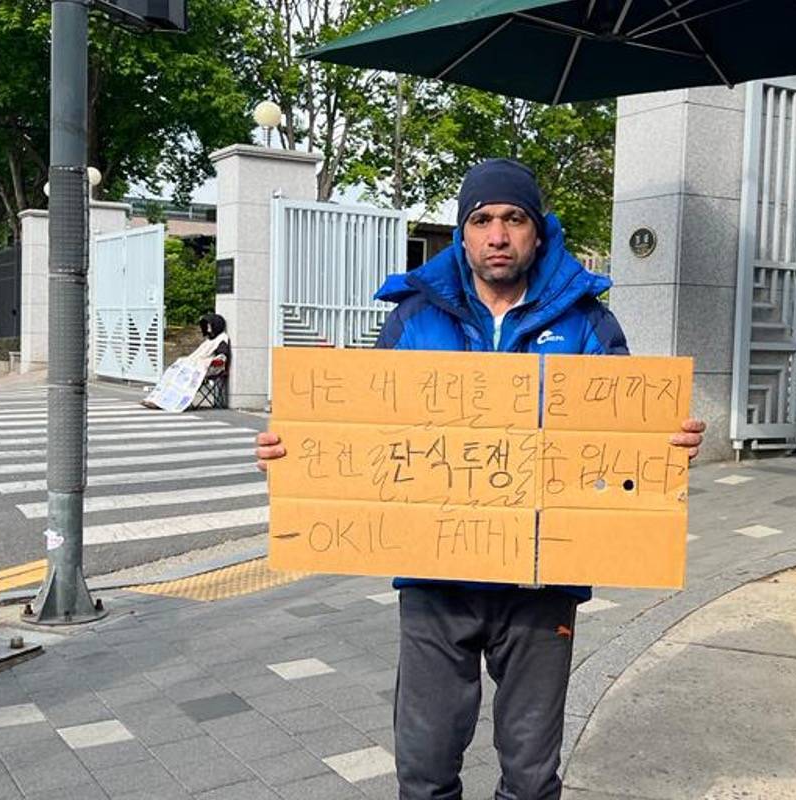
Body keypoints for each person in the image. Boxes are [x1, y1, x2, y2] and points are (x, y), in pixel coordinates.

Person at [257, 159, 706, 799]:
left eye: (513, 219)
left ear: (537, 232)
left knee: (529, 777)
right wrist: (298, 449)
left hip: (540, 582)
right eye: (482, 220)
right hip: (436, 583)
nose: (498, 235)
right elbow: (364, 433)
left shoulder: (588, 324)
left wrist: (669, 446)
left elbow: (625, 441)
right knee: (425, 770)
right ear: (463, 234)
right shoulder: (414, 319)